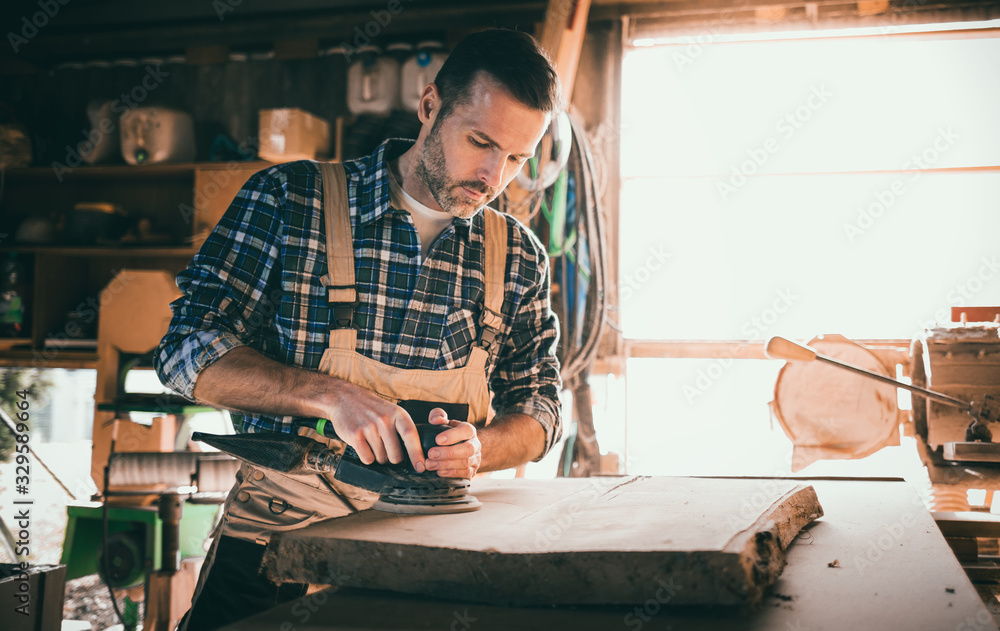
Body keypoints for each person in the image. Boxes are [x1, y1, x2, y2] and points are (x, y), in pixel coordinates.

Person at [153, 28, 564, 630]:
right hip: (278, 544)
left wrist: (482, 449)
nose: (492, 174)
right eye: (481, 141)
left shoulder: (519, 256)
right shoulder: (290, 200)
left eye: (516, 159)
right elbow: (183, 353)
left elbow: (541, 408)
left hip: (433, 553)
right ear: (429, 107)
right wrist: (328, 395)